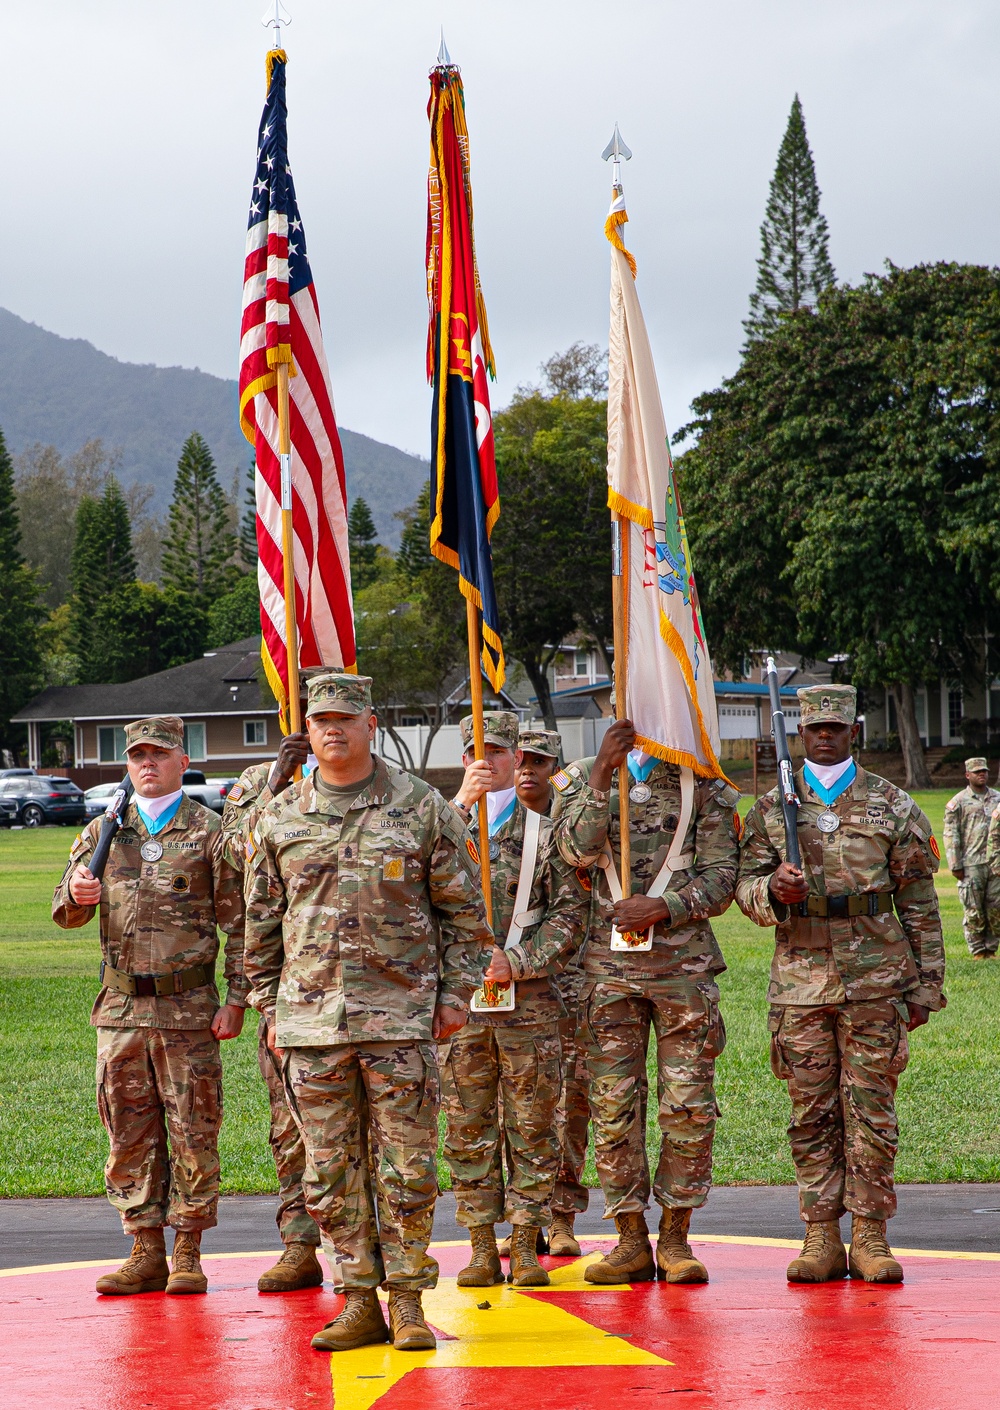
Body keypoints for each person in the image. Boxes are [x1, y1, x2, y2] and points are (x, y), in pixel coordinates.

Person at [243, 672, 492, 1354]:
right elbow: (259, 926)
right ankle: (357, 1300)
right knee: (328, 1172)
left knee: (407, 1168)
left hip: (402, 1022)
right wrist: (269, 1005)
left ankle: (408, 1299)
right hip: (310, 1026)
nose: (332, 729)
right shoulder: (280, 814)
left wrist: (452, 999)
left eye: (345, 718)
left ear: (370, 723)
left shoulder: (421, 809)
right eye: (320, 718)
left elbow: (467, 918)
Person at [736, 685, 945, 1285]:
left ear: (853, 729)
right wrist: (771, 891)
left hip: (877, 979)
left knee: (872, 1111)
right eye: (813, 728)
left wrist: (927, 983)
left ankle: (871, 1236)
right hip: (801, 983)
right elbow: (741, 887)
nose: (824, 736)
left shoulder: (891, 804)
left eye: (834, 726)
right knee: (811, 1113)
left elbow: (919, 899)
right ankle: (821, 1235)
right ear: (799, 733)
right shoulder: (774, 807)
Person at [52, 716, 246, 1297]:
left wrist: (237, 1000)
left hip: (187, 1007)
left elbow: (242, 925)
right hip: (120, 1010)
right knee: (128, 1131)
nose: (147, 765)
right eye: (137, 755)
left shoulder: (211, 833)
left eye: (159, 755)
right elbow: (67, 910)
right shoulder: (104, 830)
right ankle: (144, 1248)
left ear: (182, 762)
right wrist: (75, 894)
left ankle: (188, 1249)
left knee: (193, 1127)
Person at [552, 720, 740, 1285]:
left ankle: (677, 1239)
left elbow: (723, 877)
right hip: (606, 975)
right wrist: (604, 771)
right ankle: (630, 1238)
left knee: (687, 1107)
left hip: (682, 970)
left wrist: (664, 908)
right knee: (613, 1110)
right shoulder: (582, 779)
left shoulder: (700, 783)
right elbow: (574, 853)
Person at [443, 713, 590, 1287]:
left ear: (516, 758)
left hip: (528, 1006)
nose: (489, 761)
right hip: (462, 1006)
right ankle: (481, 1245)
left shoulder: (544, 833)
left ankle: (526, 1241)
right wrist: (459, 804)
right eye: (476, 751)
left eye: (500, 751)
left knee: (533, 1124)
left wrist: (523, 961)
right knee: (467, 1126)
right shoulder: (443, 827)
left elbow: (570, 915)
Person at [221, 670, 329, 1293]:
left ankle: (366, 1249)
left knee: (368, 1132)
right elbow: (236, 854)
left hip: (364, 992)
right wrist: (275, 783)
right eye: (307, 706)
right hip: (288, 989)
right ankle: (299, 1243)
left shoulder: (385, 788)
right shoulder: (252, 787)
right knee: (290, 1126)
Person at [516, 726, 592, 1258]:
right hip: (517, 986)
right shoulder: (489, 825)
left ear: (553, 768)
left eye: (537, 762)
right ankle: (522, 1216)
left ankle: (562, 1215)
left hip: (574, 978)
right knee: (517, 1107)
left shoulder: (568, 825)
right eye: (517, 760)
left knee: (573, 1101)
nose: (526, 771)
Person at [943, 757, 1000, 959]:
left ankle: (991, 949)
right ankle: (978, 950)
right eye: (976, 772)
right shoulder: (958, 802)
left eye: (984, 770)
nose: (981, 774)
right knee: (973, 908)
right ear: (968, 775)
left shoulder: (997, 799)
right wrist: (955, 864)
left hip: (996, 864)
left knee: (996, 908)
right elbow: (951, 834)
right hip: (971, 863)